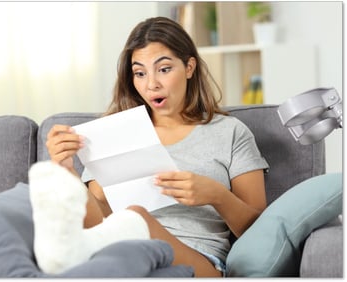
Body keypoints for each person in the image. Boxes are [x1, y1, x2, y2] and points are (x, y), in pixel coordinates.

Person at [33, 16, 269, 277]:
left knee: (136, 219)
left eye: (164, 69)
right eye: (140, 73)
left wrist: (216, 195)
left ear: (189, 67)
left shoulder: (230, 132)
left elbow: (260, 233)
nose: (151, 84)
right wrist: (67, 172)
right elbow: (97, 221)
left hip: (199, 261)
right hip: (120, 252)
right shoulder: (114, 133)